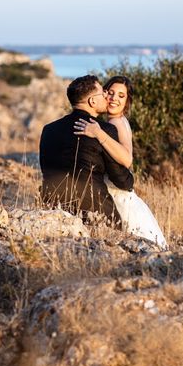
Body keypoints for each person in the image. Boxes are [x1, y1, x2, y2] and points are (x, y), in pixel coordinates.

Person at [73, 76, 168, 249]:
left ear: (127, 102)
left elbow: (126, 159)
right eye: (110, 92)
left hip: (117, 194)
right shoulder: (116, 121)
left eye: (121, 96)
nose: (114, 98)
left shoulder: (116, 123)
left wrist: (98, 133)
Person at [39, 75, 134, 228]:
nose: (106, 96)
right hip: (95, 213)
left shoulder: (48, 129)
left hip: (52, 208)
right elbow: (121, 180)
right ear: (92, 101)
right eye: (103, 93)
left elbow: (46, 169)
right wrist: (130, 181)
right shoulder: (104, 129)